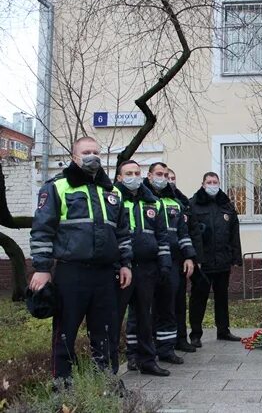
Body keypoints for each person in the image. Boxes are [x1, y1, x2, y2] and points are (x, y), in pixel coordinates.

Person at [29, 136, 132, 381]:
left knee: (106, 332)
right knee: (65, 332)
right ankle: (62, 384)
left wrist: (126, 263)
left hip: (105, 274)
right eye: (86, 151)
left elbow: (123, 233)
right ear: (74, 156)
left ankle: (105, 382)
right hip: (71, 273)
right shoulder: (57, 187)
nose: (92, 155)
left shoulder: (113, 192)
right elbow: (43, 229)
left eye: (96, 151)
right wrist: (42, 268)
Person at [115, 160, 172, 376]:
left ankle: (147, 360)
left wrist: (164, 264)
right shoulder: (114, 199)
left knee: (144, 317)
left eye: (137, 172)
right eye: (128, 173)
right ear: (120, 178)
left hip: (147, 269)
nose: (134, 176)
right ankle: (114, 363)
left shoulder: (153, 202)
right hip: (122, 268)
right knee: (116, 317)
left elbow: (163, 236)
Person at [143, 163, 196, 364]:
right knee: (144, 308)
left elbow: (183, 233)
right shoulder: (142, 200)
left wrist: (189, 256)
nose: (163, 178)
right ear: (149, 176)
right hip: (148, 261)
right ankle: (141, 350)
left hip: (172, 261)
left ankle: (166, 349)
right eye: (159, 174)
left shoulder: (174, 202)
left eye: (166, 175)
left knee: (168, 306)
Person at [189, 172, 243, 345]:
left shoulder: (226, 205)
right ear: (203, 184)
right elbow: (189, 233)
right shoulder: (193, 204)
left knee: (222, 298)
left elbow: (234, 233)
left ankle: (223, 330)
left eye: (215, 182)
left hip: (222, 260)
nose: (212, 184)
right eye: (209, 182)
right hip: (202, 262)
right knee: (198, 298)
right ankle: (195, 334)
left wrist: (236, 256)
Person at [166, 168, 198, 353]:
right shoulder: (154, 202)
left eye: (172, 178)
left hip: (179, 259)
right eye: (165, 177)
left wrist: (190, 256)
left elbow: (187, 231)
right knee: (164, 304)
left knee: (179, 302)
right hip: (161, 259)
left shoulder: (181, 202)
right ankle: (164, 343)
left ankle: (180, 338)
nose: (169, 181)